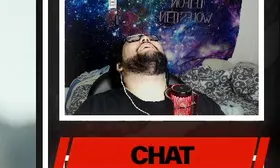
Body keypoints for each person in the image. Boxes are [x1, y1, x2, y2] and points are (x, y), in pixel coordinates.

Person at [73, 33, 225, 116]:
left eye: (152, 38)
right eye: (133, 39)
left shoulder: (201, 103)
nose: (146, 39)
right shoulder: (96, 107)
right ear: (120, 66)